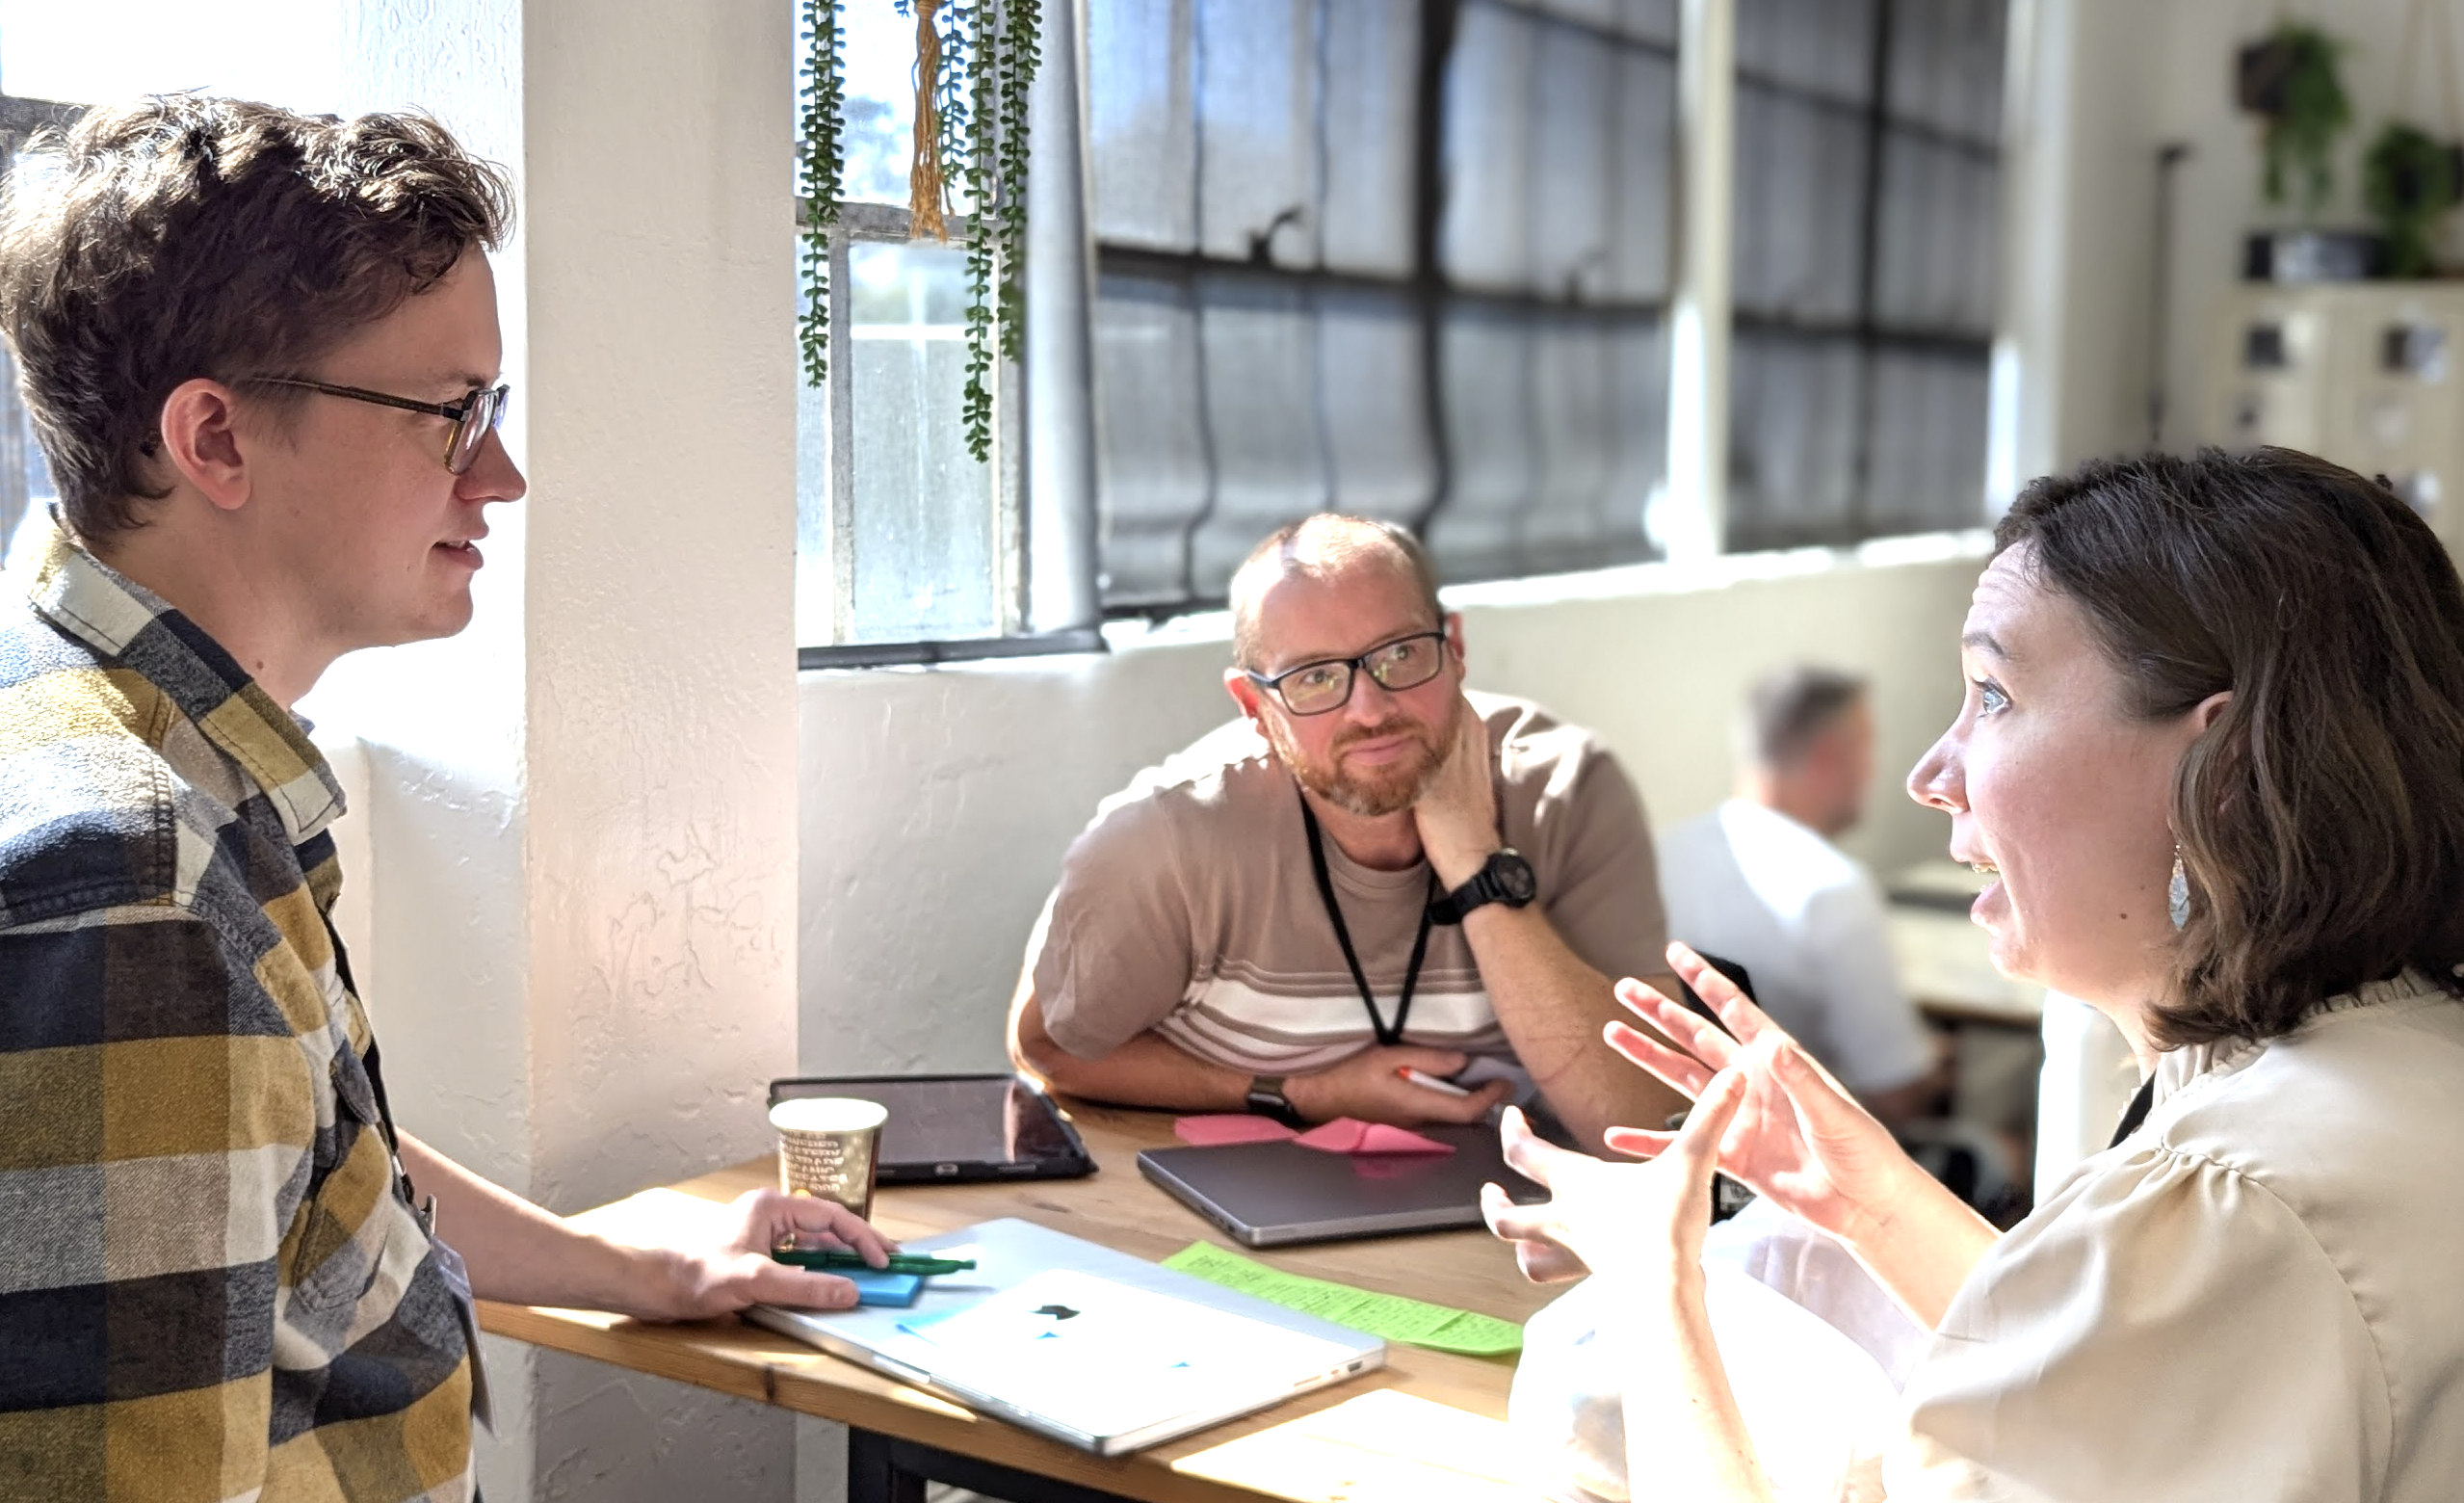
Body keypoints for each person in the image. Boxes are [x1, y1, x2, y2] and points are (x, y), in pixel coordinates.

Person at [0, 97, 889, 1502]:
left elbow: (288, 1158)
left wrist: (636, 1269)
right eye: (448, 413)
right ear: (215, 440)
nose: (502, 474)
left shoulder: (161, 744)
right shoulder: (133, 880)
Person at [1483, 448, 2464, 1499]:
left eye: (1990, 697)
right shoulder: (2395, 1075)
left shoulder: (2235, 1208)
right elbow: (2114, 1394)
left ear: (2213, 772)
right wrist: (1868, 1202)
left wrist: (1650, 1285)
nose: (1926, 775)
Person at [1009, 514, 1684, 1149]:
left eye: (1399, 655)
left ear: (1455, 649)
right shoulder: (1166, 841)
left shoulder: (1567, 791)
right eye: (1316, 677)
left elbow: (1651, 1127)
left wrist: (1476, 864)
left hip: (1517, 1229)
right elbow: (1049, 1048)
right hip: (1254, 1219)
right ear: (1255, 707)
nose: (1370, 709)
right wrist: (1296, 1093)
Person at [1657, 664, 1942, 1124]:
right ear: (1829, 757)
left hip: (1682, 1132)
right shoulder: (1832, 887)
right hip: (1812, 1155)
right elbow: (1896, 1095)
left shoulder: (1657, 854)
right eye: (1867, 750)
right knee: (1999, 1152)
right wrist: (1937, 1064)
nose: (1872, 771)